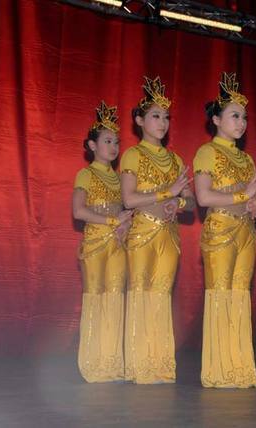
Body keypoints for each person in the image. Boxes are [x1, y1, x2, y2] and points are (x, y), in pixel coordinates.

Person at [120, 76, 195, 384]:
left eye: (166, 117)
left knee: (161, 295)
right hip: (142, 233)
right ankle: (139, 365)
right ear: (139, 121)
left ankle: (160, 364)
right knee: (140, 292)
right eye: (155, 116)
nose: (162, 122)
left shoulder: (175, 159)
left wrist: (178, 203)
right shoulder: (133, 155)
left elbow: (191, 202)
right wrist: (167, 193)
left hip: (169, 235)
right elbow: (129, 199)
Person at [194, 72, 256, 388]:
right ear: (216, 120)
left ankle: (239, 368)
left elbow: (254, 195)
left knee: (240, 296)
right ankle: (219, 370)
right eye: (235, 116)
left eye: (244, 117)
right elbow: (203, 196)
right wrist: (242, 197)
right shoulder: (207, 152)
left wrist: (255, 203)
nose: (242, 122)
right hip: (220, 228)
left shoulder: (246, 159)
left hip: (246, 232)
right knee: (221, 295)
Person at [73, 101, 132, 382]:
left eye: (116, 142)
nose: (113, 146)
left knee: (115, 299)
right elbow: (78, 211)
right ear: (92, 145)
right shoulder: (86, 174)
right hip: (95, 244)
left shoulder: (120, 179)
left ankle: (112, 363)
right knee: (95, 298)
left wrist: (125, 224)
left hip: (118, 245)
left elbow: (127, 211)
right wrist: (112, 222)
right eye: (107, 141)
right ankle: (92, 364)